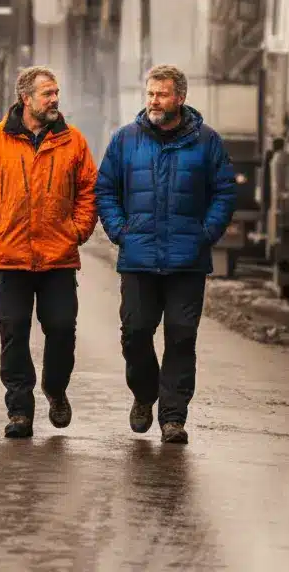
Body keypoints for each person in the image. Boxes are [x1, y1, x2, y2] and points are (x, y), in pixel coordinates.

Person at [95, 64, 237, 445]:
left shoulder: (207, 141)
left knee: (181, 336)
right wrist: (120, 231)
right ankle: (144, 394)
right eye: (150, 93)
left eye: (161, 94)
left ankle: (173, 418)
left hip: (185, 261)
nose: (154, 101)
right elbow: (105, 189)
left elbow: (225, 192)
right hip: (139, 257)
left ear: (180, 98)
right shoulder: (125, 140)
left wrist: (204, 234)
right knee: (135, 333)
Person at [0, 65, 99, 439]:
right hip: (10, 259)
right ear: (26, 99)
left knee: (61, 330)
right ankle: (20, 410)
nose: (55, 99)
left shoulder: (73, 142)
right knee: (14, 333)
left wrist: (78, 230)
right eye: (47, 93)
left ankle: (55, 389)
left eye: (56, 92)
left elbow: (89, 191)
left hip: (58, 259)